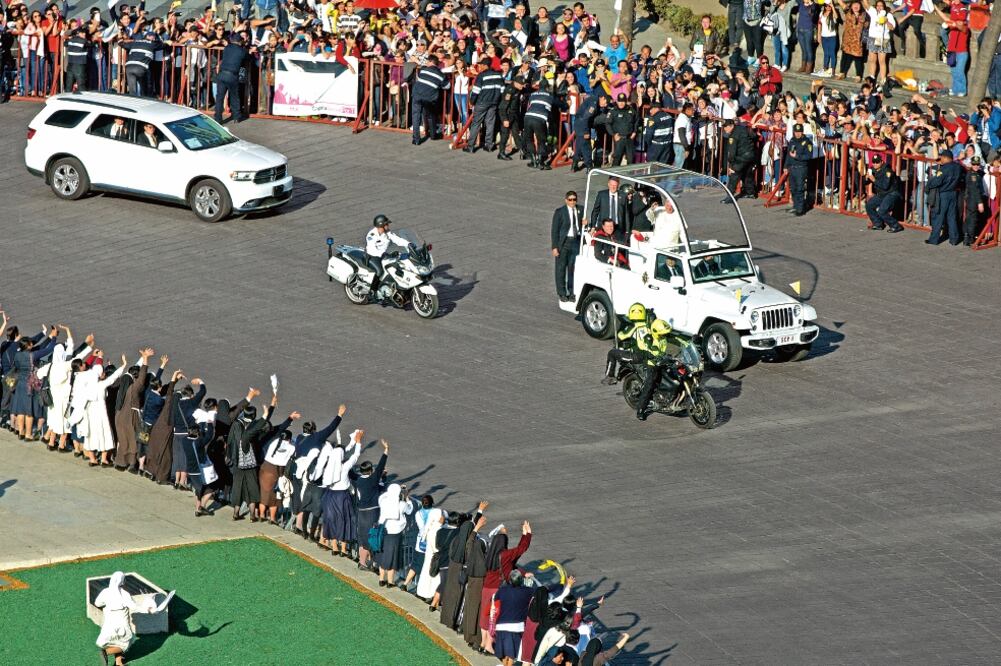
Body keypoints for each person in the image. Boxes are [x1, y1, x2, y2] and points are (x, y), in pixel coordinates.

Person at [314, 427, 362, 556]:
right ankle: (343, 548)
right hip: (342, 496)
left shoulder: (328, 466)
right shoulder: (345, 466)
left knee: (332, 520)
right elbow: (355, 456)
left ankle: (334, 546)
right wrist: (358, 442)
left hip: (330, 496)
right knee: (345, 519)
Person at [95, 571, 155, 666]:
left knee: (117, 641)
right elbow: (134, 606)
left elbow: (97, 603)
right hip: (121, 622)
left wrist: (107, 603)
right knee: (126, 643)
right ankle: (105, 652)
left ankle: (119, 663)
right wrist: (147, 609)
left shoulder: (105, 592)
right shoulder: (124, 594)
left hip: (110, 622)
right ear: (121, 581)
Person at [351, 438, 389, 572]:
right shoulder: (373, 479)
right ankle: (372, 563)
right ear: (371, 471)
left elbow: (352, 472)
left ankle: (362, 562)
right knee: (372, 537)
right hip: (372, 513)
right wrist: (386, 450)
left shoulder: (359, 480)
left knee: (362, 538)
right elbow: (380, 467)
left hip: (361, 512)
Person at [376, 481, 414, 587]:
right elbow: (410, 510)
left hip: (383, 531)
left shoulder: (383, 501)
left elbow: (384, 495)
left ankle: (381, 579)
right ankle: (390, 581)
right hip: (395, 534)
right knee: (392, 557)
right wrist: (406, 497)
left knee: (383, 554)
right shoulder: (401, 505)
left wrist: (394, 490)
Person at [602, 302, 650, 385]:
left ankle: (609, 377)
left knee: (612, 353)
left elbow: (620, 337)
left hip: (637, 356)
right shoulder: (648, 326)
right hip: (650, 356)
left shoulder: (633, 327)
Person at [634, 318, 673, 421]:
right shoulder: (649, 339)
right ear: (656, 333)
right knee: (649, 385)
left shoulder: (662, 338)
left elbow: (676, 339)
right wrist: (652, 355)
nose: (664, 336)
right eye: (662, 334)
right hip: (651, 365)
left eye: (665, 334)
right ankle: (641, 409)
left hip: (661, 361)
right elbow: (645, 348)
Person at [550, 191, 584, 302]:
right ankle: (562, 292)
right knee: (561, 268)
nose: (572, 202)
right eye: (570, 199)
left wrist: (586, 223)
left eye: (574, 199)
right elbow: (554, 231)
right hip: (563, 243)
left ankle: (572, 291)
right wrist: (554, 247)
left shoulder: (580, 210)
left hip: (575, 242)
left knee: (572, 268)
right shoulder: (560, 212)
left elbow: (583, 225)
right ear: (566, 200)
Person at [464, 61, 503, 153]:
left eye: (480, 65)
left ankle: (470, 146)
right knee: (490, 123)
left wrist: (471, 101)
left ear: (486, 65)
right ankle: (489, 145)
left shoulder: (481, 76)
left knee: (476, 123)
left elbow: (476, 91)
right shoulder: (498, 75)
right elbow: (502, 90)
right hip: (494, 102)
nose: (479, 67)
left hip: (482, 102)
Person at [926, 152, 963, 245]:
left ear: (946, 158)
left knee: (938, 217)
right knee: (952, 217)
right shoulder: (958, 167)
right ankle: (954, 239)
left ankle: (933, 239)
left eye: (941, 157)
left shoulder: (944, 169)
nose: (941, 160)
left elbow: (936, 182)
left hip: (943, 195)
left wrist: (929, 182)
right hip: (953, 193)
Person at [411, 54, 449, 145]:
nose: (426, 62)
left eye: (428, 61)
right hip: (429, 97)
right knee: (431, 116)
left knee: (416, 116)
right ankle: (433, 135)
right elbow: (447, 86)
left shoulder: (423, 70)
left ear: (431, 62)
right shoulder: (441, 75)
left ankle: (416, 139)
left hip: (417, 94)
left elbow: (419, 78)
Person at [215, 32, 250, 124]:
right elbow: (247, 57)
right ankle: (236, 117)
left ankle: (218, 118)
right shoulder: (241, 51)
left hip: (222, 74)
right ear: (239, 42)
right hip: (232, 75)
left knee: (219, 97)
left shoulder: (227, 48)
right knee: (234, 96)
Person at [364, 214, 410, 284]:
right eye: (386, 224)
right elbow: (372, 249)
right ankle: (372, 291)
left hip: (384, 255)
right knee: (380, 271)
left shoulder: (387, 232)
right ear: (381, 226)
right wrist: (383, 254)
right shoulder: (372, 235)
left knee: (399, 265)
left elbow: (396, 239)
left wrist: (408, 244)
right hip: (373, 257)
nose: (388, 225)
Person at [864, 153, 903, 233]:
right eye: (873, 162)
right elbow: (866, 182)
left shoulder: (887, 171)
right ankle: (878, 224)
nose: (875, 164)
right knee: (869, 205)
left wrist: (874, 179)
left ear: (881, 162)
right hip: (882, 194)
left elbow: (885, 186)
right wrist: (867, 178)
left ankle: (895, 226)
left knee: (882, 210)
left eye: (877, 162)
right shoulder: (872, 170)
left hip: (892, 193)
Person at [522, 80, 556, 170]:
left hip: (528, 117)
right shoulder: (550, 96)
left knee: (529, 139)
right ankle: (540, 162)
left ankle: (533, 161)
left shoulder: (533, 94)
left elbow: (529, 104)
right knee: (541, 140)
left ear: (539, 86)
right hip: (540, 118)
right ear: (547, 87)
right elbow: (558, 104)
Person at [723, 119, 758, 199]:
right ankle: (750, 193)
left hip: (741, 157)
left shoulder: (733, 136)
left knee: (733, 176)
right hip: (751, 155)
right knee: (747, 174)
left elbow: (732, 151)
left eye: (726, 127)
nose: (725, 129)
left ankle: (729, 196)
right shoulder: (743, 128)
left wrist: (731, 165)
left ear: (731, 126)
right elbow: (753, 136)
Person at [786, 123, 813, 216]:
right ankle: (796, 206)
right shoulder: (792, 140)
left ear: (802, 132)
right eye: (796, 132)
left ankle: (800, 209)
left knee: (799, 189)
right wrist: (786, 166)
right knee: (793, 188)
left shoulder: (807, 142)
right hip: (792, 168)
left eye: (799, 132)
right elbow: (788, 155)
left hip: (801, 168)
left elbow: (808, 156)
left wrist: (797, 156)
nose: (798, 133)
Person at [608, 93, 636, 166]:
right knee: (617, 159)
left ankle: (629, 176)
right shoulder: (613, 111)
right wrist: (613, 134)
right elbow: (608, 124)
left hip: (629, 138)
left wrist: (635, 132)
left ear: (626, 101)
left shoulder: (631, 110)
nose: (621, 103)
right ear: (617, 101)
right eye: (619, 101)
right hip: (619, 138)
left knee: (631, 159)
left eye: (623, 101)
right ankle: (613, 177)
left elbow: (636, 121)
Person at [964, 156, 987, 246]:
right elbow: (975, 190)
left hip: (971, 199)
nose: (976, 166)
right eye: (974, 164)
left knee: (969, 219)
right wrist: (980, 202)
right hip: (973, 200)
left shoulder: (976, 173)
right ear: (971, 164)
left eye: (977, 164)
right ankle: (971, 239)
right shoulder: (973, 175)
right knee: (972, 219)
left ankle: (967, 238)